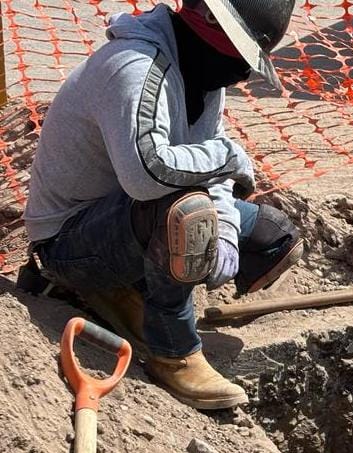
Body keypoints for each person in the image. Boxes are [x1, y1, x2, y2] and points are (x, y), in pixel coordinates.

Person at [23, 0, 302, 410]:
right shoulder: (135, 67)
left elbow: (210, 164)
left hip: (131, 218)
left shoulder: (200, 70)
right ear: (209, 23)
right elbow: (147, 174)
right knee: (186, 215)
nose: (242, 72)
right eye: (241, 52)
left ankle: (132, 289)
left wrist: (224, 224)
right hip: (69, 241)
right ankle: (172, 350)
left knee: (273, 239)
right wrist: (227, 159)